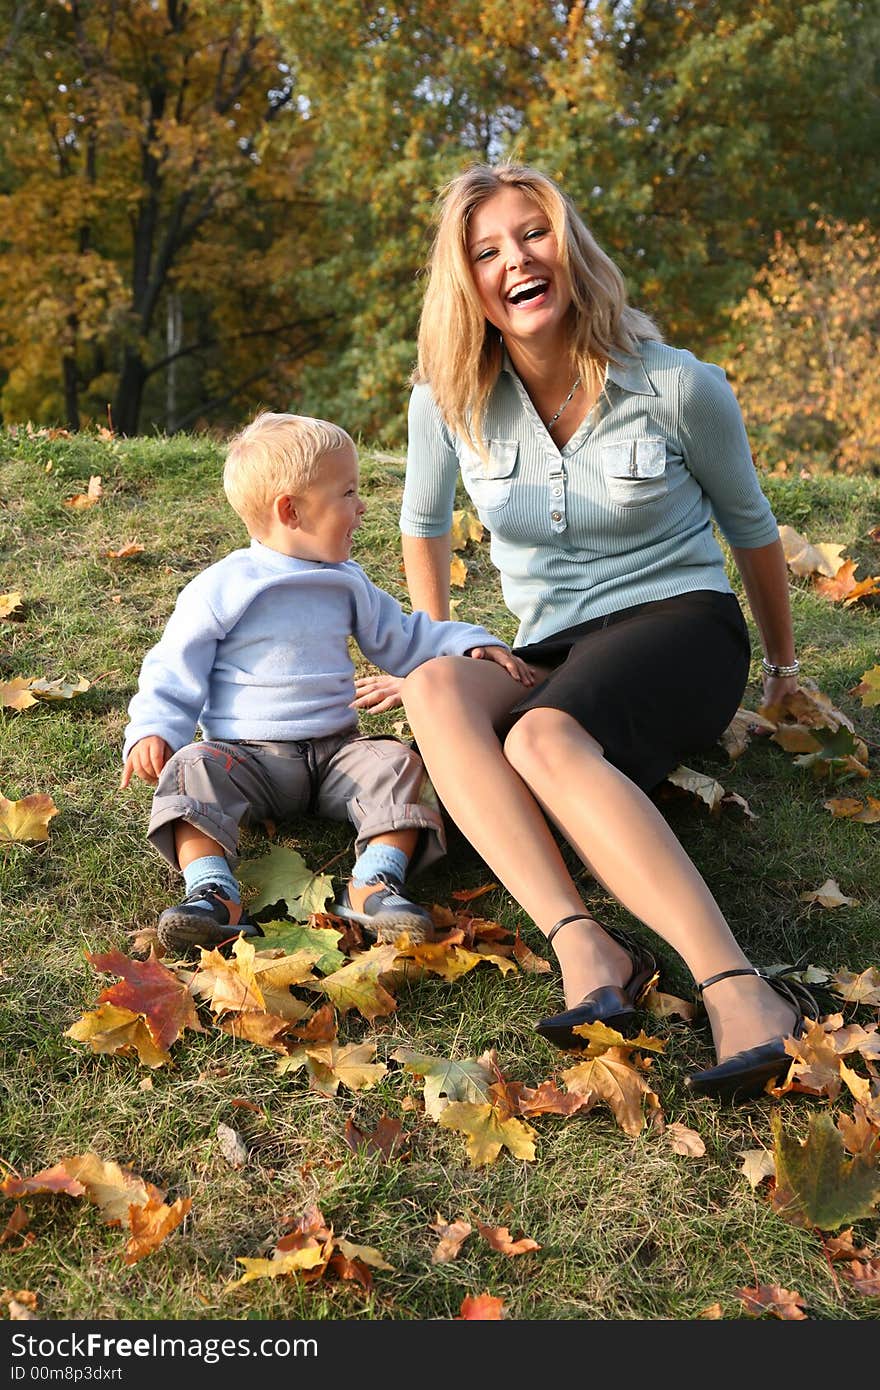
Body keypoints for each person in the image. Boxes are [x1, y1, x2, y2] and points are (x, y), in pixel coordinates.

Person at [354, 163, 818, 1102]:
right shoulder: (446, 399)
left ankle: (741, 991)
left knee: (541, 735)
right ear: (468, 283)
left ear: (569, 250)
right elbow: (421, 524)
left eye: (533, 235)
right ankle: (586, 943)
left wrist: (781, 666)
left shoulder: (678, 385)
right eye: (487, 251)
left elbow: (752, 530)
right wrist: (434, 644)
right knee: (441, 689)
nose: (516, 260)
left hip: (682, 625)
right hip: (554, 645)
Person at [120, 410, 532, 955]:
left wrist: (464, 643)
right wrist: (155, 729)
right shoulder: (223, 586)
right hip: (247, 758)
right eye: (347, 493)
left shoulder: (347, 582)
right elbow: (176, 666)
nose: (362, 506)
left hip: (338, 755)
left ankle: (376, 884)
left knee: (399, 763)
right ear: (290, 510)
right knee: (191, 769)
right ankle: (211, 894)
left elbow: (403, 637)